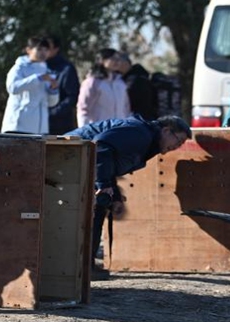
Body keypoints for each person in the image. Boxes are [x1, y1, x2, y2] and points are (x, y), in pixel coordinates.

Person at [65, 114, 191, 278]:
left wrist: (114, 195)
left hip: (78, 159)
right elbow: (101, 147)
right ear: (166, 130)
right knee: (95, 210)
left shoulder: (146, 138)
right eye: (178, 141)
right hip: (68, 156)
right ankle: (81, 268)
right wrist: (103, 185)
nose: (177, 147)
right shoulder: (139, 133)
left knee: (101, 207)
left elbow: (109, 160)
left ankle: (85, 266)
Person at [1, 36, 59, 134]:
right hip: (18, 127)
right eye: (39, 49)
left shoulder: (47, 71)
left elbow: (51, 103)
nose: (43, 53)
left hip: (41, 129)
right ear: (28, 50)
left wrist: (53, 90)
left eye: (46, 49)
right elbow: (13, 88)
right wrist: (36, 78)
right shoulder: (19, 68)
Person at [77, 49, 130, 126]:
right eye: (113, 59)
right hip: (99, 131)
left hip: (120, 130)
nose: (117, 62)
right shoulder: (92, 82)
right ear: (102, 60)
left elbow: (126, 108)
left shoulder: (120, 83)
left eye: (118, 59)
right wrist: (84, 132)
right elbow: (83, 109)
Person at [43, 33, 80, 135]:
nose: (43, 51)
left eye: (47, 47)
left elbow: (72, 96)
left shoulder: (66, 69)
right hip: (37, 123)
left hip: (59, 125)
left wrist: (53, 113)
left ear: (56, 48)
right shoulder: (36, 67)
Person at [115, 51, 158, 119]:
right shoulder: (139, 75)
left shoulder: (134, 80)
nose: (115, 64)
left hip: (138, 119)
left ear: (126, 62)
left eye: (118, 61)